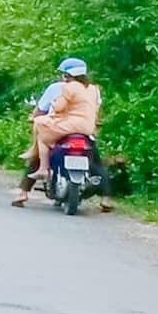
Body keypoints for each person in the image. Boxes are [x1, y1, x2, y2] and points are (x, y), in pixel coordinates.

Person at [14, 58, 102, 207]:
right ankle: (106, 196)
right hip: (87, 129)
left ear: (67, 75)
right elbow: (95, 110)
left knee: (40, 127)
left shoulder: (62, 87)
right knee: (96, 160)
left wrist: (53, 105)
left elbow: (52, 108)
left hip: (67, 127)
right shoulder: (93, 89)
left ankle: (33, 180)